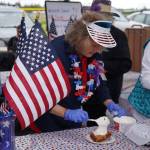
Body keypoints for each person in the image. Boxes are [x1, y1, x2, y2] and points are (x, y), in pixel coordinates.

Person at [15, 11, 127, 135]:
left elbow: (99, 81)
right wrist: (66, 113)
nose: (98, 50)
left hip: (71, 124)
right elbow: (37, 95)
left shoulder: (94, 54)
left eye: (100, 46)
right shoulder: (55, 51)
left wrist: (109, 102)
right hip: (45, 123)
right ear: (80, 36)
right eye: (94, 44)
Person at [90, 0, 132, 102]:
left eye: (104, 15)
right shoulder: (85, 33)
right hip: (88, 89)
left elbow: (125, 64)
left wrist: (102, 65)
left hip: (110, 89)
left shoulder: (118, 35)